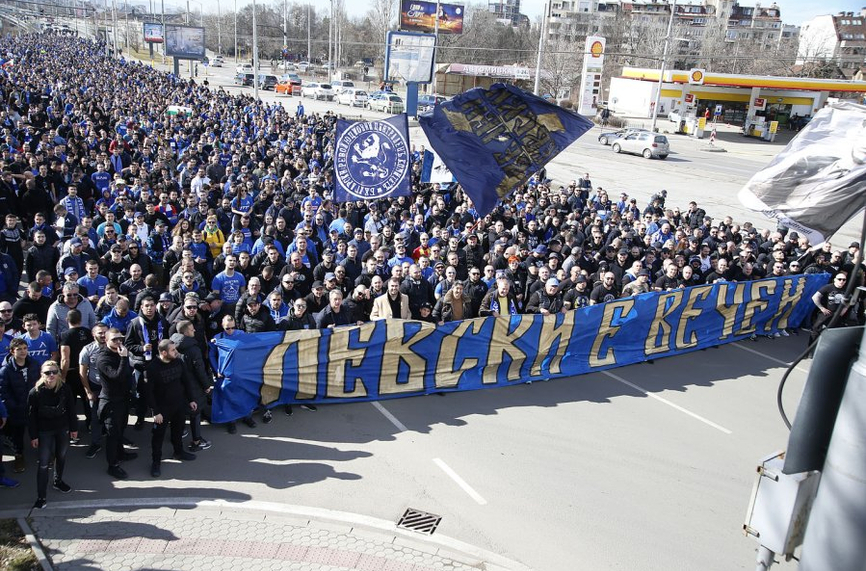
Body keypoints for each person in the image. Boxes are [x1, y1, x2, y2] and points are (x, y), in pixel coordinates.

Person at [27, 360, 77, 509]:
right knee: (43, 463)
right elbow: (31, 417)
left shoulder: (65, 389)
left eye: (54, 372)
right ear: (42, 374)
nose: (51, 375)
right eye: (47, 372)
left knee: (61, 456)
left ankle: (58, 481)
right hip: (44, 431)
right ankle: (41, 496)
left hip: (62, 428)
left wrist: (74, 428)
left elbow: (71, 410)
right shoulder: (35, 393)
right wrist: (33, 436)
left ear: (59, 374)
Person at [144, 339, 198, 478]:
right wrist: (155, 412)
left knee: (178, 430)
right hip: (162, 409)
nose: (176, 352)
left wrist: (191, 399)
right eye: (173, 350)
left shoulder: (179, 362)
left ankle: (178, 451)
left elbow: (186, 381)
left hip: (179, 405)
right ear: (163, 352)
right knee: (158, 436)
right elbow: (149, 392)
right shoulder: (152, 368)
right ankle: (156, 462)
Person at [96, 327, 137, 480]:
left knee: (120, 429)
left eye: (120, 338)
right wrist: (124, 358)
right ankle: (112, 465)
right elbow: (117, 376)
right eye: (114, 339)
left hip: (123, 399)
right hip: (111, 402)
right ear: (105, 340)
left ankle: (121, 454)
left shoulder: (119, 352)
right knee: (112, 434)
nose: (119, 341)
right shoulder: (103, 358)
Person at [170, 320, 213, 452]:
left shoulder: (171, 345)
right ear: (185, 332)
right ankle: (197, 441)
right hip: (193, 386)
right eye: (191, 329)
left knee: (180, 412)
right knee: (195, 413)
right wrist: (206, 385)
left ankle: (180, 432)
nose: (194, 331)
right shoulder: (193, 349)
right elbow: (199, 370)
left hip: (177, 385)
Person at [0, 338, 40, 474]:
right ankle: (19, 456)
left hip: (34, 407)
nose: (23, 351)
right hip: (17, 410)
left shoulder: (34, 364)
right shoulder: (5, 370)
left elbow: (40, 383)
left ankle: (43, 452)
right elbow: (3, 392)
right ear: (12, 352)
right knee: (18, 435)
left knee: (38, 430)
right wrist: (15, 406)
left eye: (25, 348)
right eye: (19, 349)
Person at [79, 322, 108, 459]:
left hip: (112, 389)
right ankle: (96, 443)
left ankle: (118, 440)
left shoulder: (114, 347)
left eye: (105, 332)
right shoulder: (87, 350)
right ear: (93, 334)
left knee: (116, 417)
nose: (103, 335)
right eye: (100, 332)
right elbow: (82, 373)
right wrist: (88, 391)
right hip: (95, 387)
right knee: (95, 418)